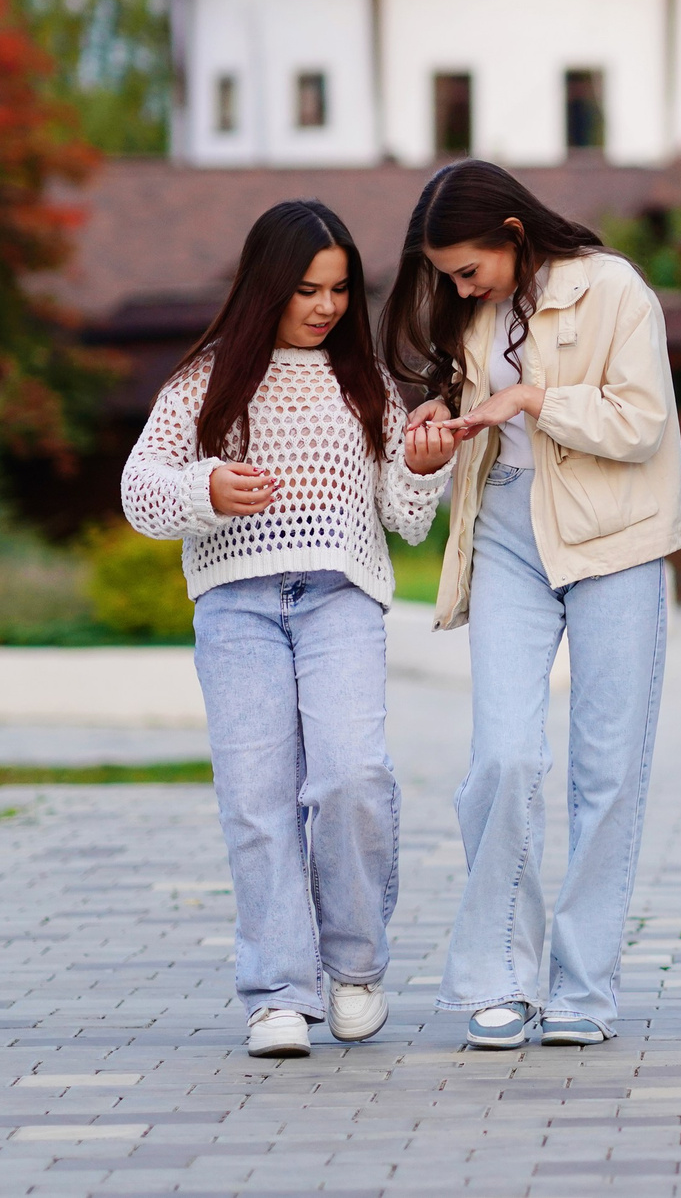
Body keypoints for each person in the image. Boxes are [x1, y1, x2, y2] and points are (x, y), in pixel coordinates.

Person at [122, 200, 457, 1060]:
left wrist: (425, 468)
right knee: (257, 799)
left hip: (340, 598)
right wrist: (204, 489)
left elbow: (402, 516)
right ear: (267, 285)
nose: (326, 306)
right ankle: (277, 990)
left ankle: (354, 968)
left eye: (339, 289)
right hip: (236, 606)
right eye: (307, 289)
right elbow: (138, 490)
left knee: (352, 776)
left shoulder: (364, 382)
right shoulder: (203, 381)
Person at [380, 160, 681, 1052]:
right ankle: (501, 978)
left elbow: (641, 422)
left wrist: (530, 398)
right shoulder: (471, 313)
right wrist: (436, 436)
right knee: (504, 756)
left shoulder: (613, 288)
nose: (458, 287)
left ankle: (583, 987)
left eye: (467, 268)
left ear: (513, 234)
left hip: (616, 536)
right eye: (445, 275)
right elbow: (467, 421)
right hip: (507, 531)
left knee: (608, 772)